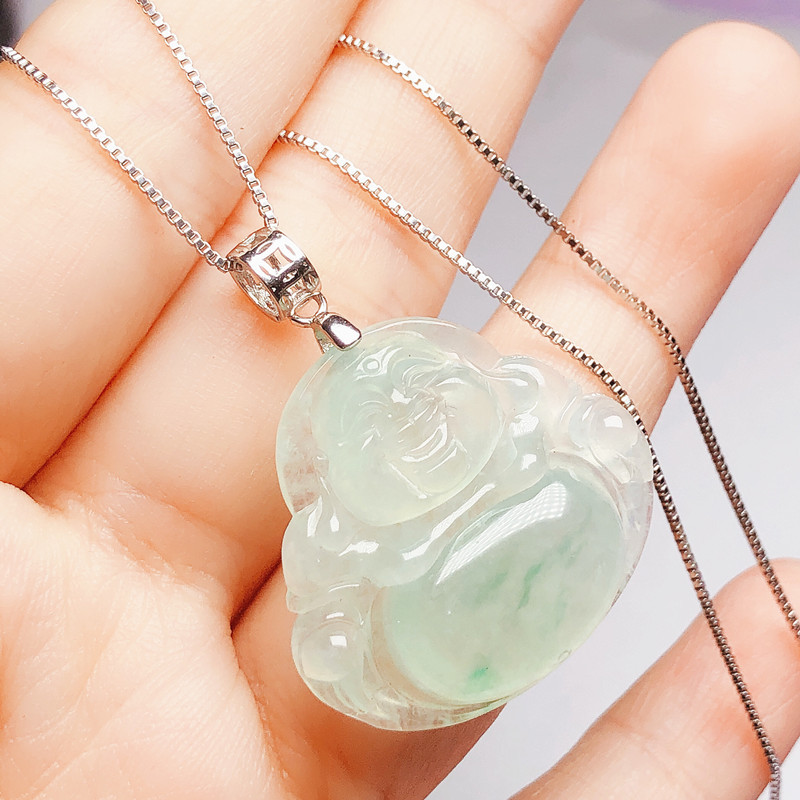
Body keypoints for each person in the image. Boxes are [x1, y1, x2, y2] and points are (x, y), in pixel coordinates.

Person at [0, 1, 798, 798]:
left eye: (430, 391)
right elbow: (335, 629)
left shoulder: (529, 427)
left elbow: (596, 435)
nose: (414, 415)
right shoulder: (352, 540)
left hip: (548, 527)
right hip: (437, 607)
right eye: (376, 424)